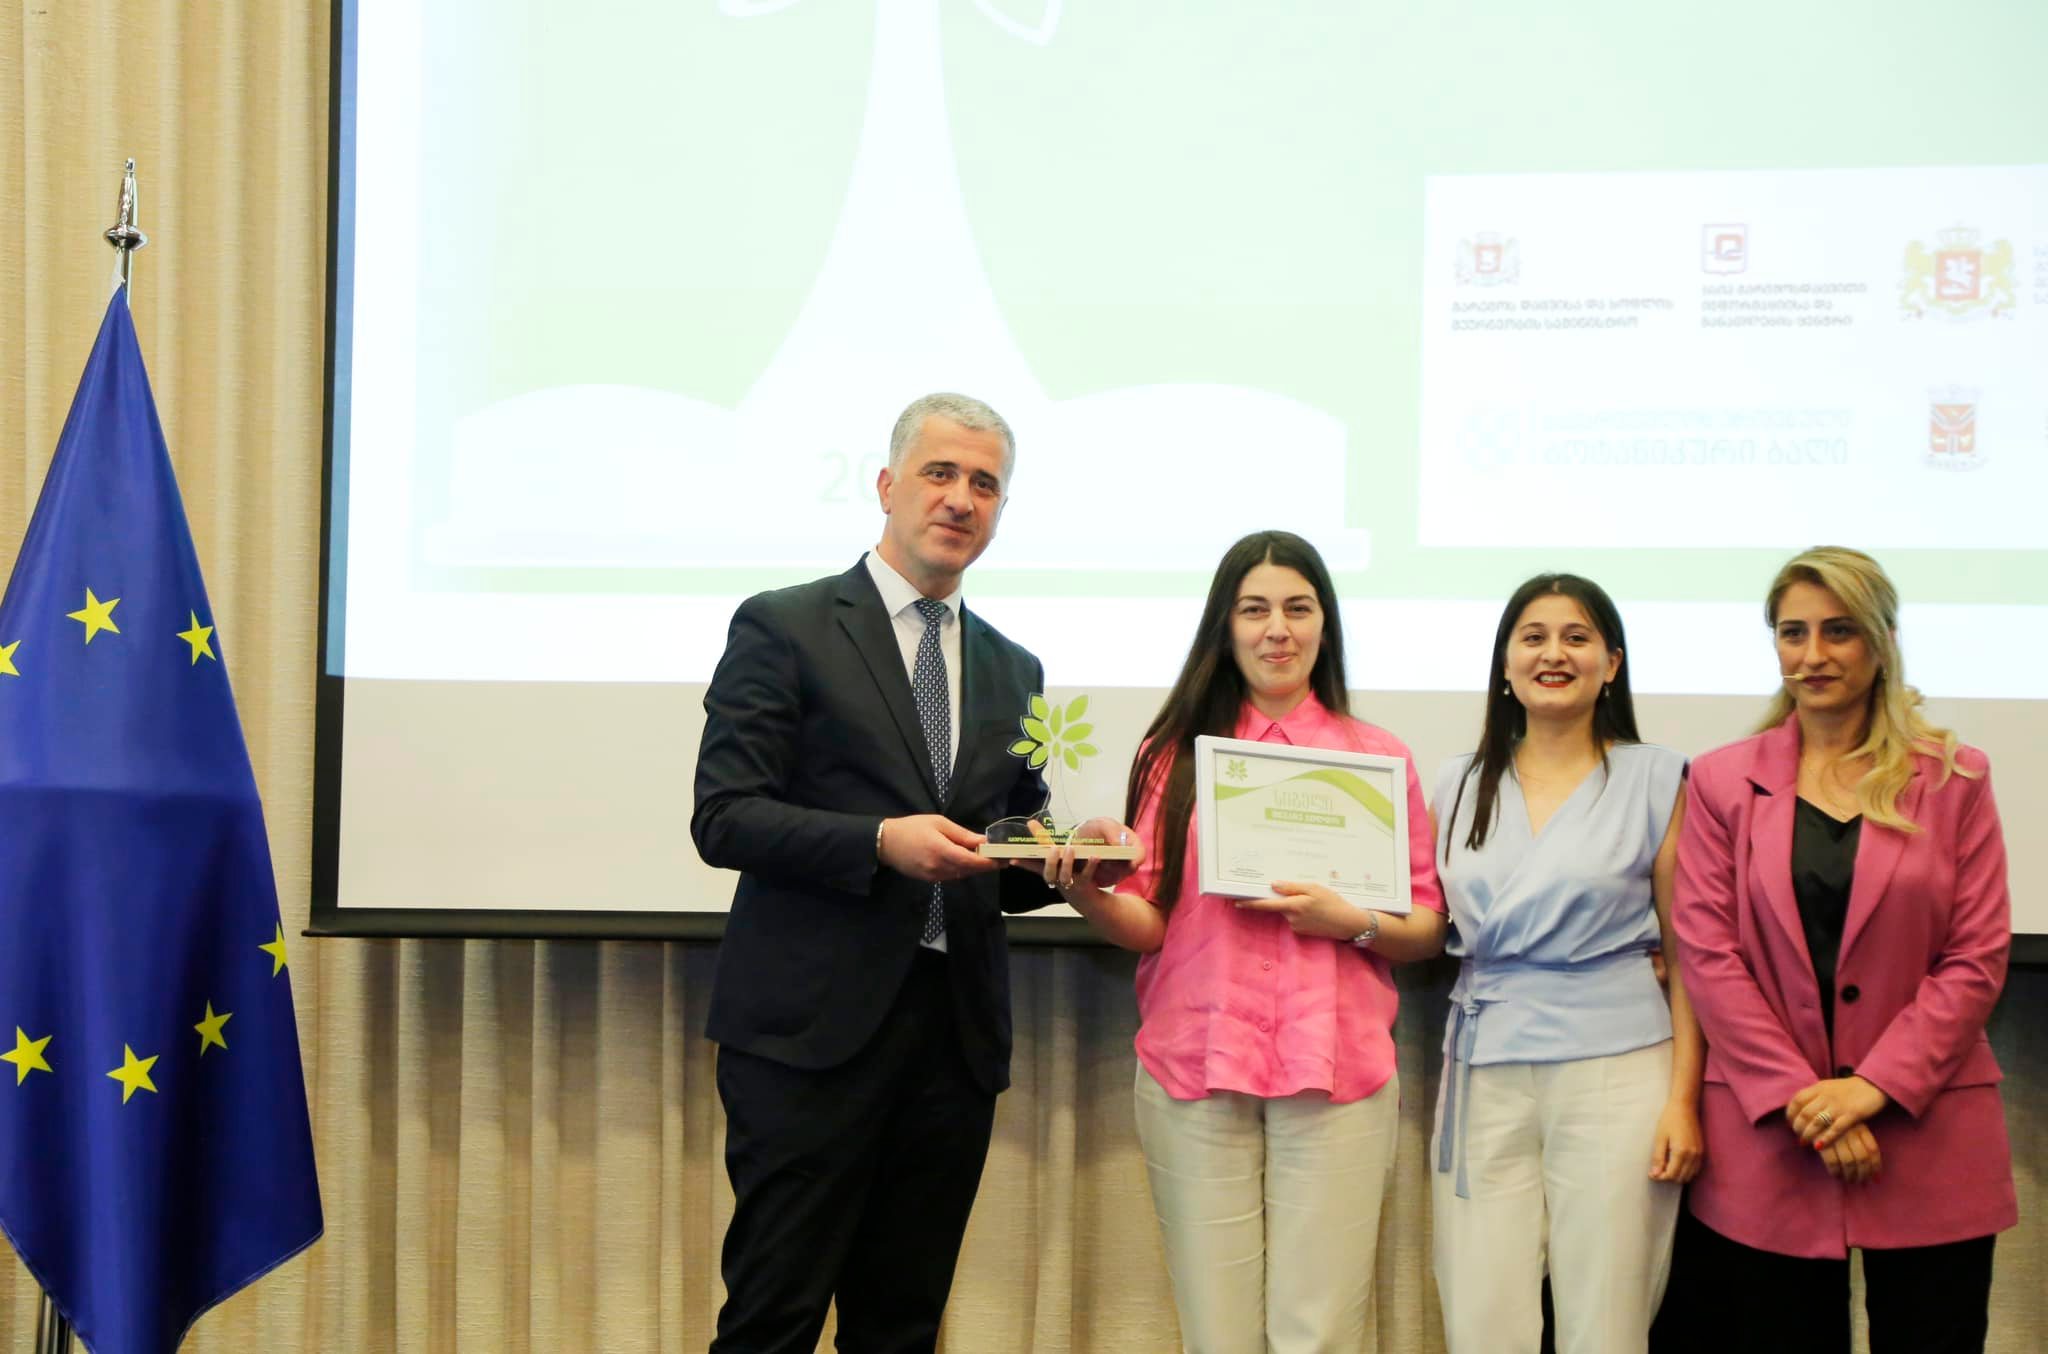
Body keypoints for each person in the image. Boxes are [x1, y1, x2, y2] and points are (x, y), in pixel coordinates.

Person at [693, 392, 1098, 1353]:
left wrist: (1066, 859)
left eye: (985, 484)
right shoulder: (785, 626)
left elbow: (1000, 853)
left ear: (1000, 511)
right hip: (809, 1038)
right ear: (885, 485)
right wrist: (880, 841)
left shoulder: (1014, 668)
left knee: (903, 1327)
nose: (961, 498)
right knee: (772, 1319)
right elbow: (725, 816)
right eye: (940, 473)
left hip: (951, 1042)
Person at [1045, 530, 1446, 1354]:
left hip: (1337, 1072)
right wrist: (1084, 892)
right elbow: (1149, 921)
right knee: (1216, 1333)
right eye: (1254, 610)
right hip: (1197, 1065)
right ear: (1224, 627)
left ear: (1325, 624)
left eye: (1298, 609)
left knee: (1319, 1335)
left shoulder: (1377, 759)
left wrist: (1350, 922)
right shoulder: (1173, 755)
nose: (1278, 630)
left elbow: (1424, 929)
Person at [1670, 546, 2015, 1353]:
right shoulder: (1721, 781)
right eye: (1793, 632)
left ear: (1882, 641)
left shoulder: (1956, 779)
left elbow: (1976, 956)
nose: (1813, 654)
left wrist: (1872, 1089)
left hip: (1928, 1131)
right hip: (1771, 1138)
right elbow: (1709, 956)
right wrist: (1810, 1101)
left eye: (1839, 631)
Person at [1430, 573, 1703, 1354]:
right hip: (1482, 1063)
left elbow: (1689, 954)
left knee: (1607, 1315)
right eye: (1534, 637)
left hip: (1619, 1066)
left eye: (1576, 638)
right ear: (1505, 663)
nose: (1554, 654)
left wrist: (1684, 1100)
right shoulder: (1456, 783)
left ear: (1611, 663)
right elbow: (1421, 918)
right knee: (1481, 1313)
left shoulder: (1658, 778)